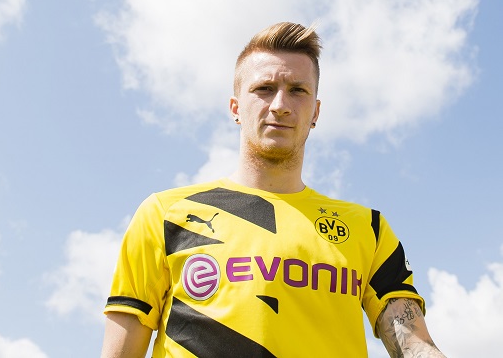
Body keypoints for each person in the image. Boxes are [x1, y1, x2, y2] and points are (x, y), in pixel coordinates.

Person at [101, 22, 445, 357]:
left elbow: (415, 346)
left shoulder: (368, 228)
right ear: (236, 108)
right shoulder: (164, 214)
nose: (280, 104)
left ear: (315, 112)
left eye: (298, 90)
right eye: (264, 89)